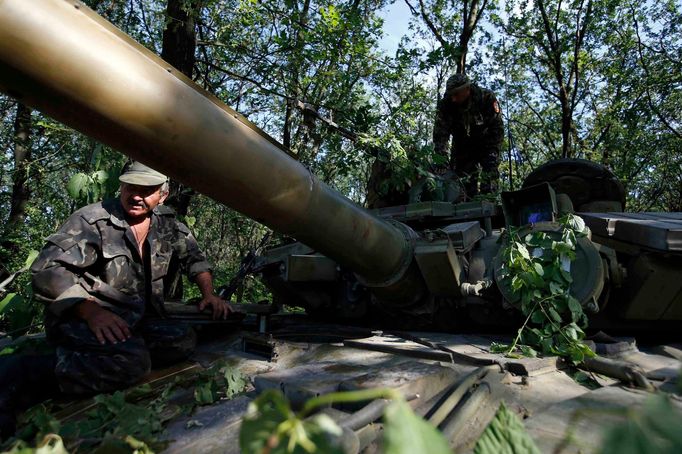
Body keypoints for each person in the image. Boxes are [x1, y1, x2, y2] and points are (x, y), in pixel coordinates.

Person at [0, 160, 231, 438]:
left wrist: (209, 294)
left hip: (136, 317)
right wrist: (90, 311)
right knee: (131, 364)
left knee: (180, 340)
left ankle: (115, 355)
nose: (136, 195)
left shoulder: (167, 224)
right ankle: (29, 373)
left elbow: (195, 259)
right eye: (130, 187)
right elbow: (47, 271)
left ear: (163, 195)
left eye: (146, 190)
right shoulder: (92, 220)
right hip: (84, 316)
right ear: (120, 186)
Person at [432, 73, 504, 198]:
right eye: (451, 94)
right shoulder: (446, 105)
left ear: (467, 89)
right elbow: (440, 135)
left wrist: (493, 151)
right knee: (464, 182)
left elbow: (497, 127)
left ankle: (489, 203)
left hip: (486, 141)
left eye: (456, 94)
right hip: (462, 144)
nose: (453, 98)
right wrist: (441, 160)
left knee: (490, 175)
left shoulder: (486, 98)